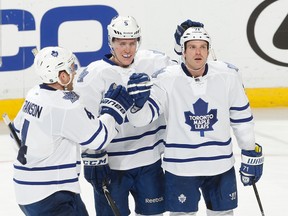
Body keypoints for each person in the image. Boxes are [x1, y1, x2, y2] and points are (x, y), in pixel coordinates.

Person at [127, 26, 264, 216]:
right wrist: (137, 106)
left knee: (223, 214)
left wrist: (249, 148)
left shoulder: (227, 75)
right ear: (182, 51)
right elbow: (141, 120)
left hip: (220, 165)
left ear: (209, 51)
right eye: (192, 47)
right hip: (181, 168)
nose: (198, 52)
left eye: (202, 47)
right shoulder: (165, 79)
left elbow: (241, 117)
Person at [11, 46, 133, 216]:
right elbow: (98, 139)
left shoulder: (34, 94)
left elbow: (14, 132)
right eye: (71, 69)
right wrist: (113, 111)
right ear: (62, 76)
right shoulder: (64, 106)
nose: (75, 73)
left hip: (27, 191)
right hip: (51, 195)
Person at [73, 15, 177, 216]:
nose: (127, 49)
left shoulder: (154, 62)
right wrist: (91, 156)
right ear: (111, 42)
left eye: (132, 43)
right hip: (112, 167)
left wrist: (180, 48)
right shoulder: (94, 75)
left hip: (149, 162)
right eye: (121, 43)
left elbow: (186, 72)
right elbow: (84, 121)